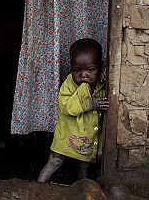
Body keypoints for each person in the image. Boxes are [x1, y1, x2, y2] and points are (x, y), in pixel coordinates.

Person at [37, 38, 108, 183]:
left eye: (90, 70)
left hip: (86, 136)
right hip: (67, 134)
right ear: (71, 69)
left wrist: (105, 76)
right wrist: (90, 103)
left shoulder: (102, 83)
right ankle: (39, 185)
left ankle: (82, 187)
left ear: (100, 68)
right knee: (55, 160)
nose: (83, 75)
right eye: (77, 70)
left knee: (85, 164)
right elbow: (65, 106)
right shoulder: (69, 84)